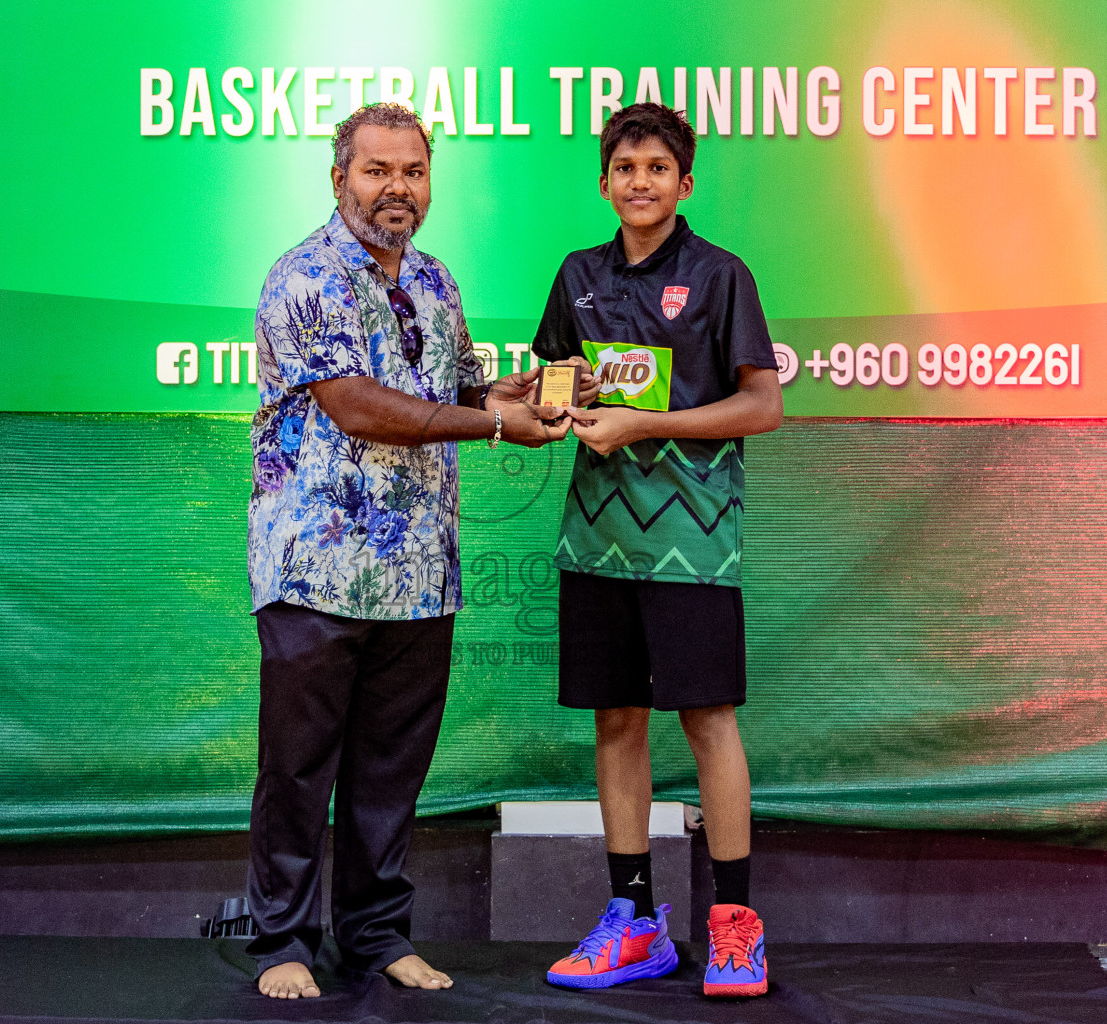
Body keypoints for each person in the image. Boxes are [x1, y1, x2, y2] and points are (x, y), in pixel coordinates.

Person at [245, 103, 586, 1000]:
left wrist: (517, 394)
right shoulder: (304, 276)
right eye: (376, 171)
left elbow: (456, 385)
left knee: (390, 773)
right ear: (338, 178)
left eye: (413, 172)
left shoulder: (434, 278)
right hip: (313, 568)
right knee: (297, 769)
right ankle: (281, 942)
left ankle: (376, 938)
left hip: (418, 576)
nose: (397, 188)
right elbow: (359, 407)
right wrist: (496, 425)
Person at [532, 103, 783, 998]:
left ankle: (734, 928)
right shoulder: (578, 275)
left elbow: (762, 406)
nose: (639, 181)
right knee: (615, 722)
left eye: (657, 167)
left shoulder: (721, 277)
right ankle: (635, 923)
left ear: (685, 183)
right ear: (604, 182)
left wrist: (650, 423)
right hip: (597, 539)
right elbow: (552, 388)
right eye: (624, 166)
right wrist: (551, 401)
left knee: (709, 721)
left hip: (692, 541)